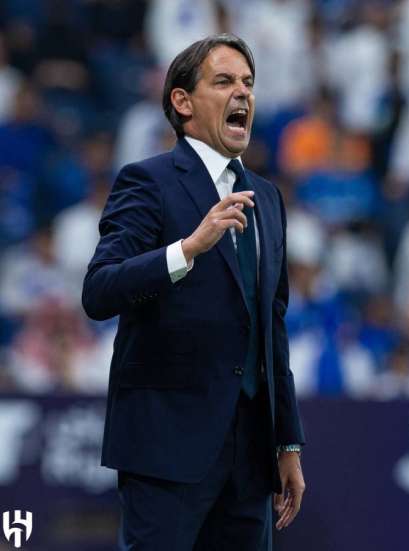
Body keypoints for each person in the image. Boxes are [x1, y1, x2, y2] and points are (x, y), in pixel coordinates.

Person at [82, 33, 305, 550]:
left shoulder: (267, 198)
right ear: (182, 102)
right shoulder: (147, 181)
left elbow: (271, 327)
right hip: (166, 447)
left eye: (248, 82)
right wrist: (187, 249)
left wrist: (288, 442)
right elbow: (99, 290)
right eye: (224, 81)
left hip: (251, 456)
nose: (242, 93)